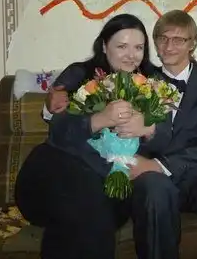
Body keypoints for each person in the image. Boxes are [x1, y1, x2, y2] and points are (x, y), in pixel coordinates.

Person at [20, 11, 197, 259]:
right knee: (149, 190)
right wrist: (56, 102)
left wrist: (155, 150)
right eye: (163, 39)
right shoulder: (136, 79)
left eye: (178, 40)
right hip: (129, 174)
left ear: (192, 44)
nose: (169, 46)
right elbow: (64, 113)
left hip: (195, 172)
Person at [15, 13, 157, 259]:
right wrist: (100, 119)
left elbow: (171, 132)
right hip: (56, 172)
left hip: (109, 182)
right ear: (104, 46)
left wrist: (148, 129)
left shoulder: (153, 84)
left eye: (138, 47)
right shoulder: (79, 74)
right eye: (121, 46)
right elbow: (59, 131)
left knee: (87, 204)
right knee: (84, 198)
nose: (131, 55)